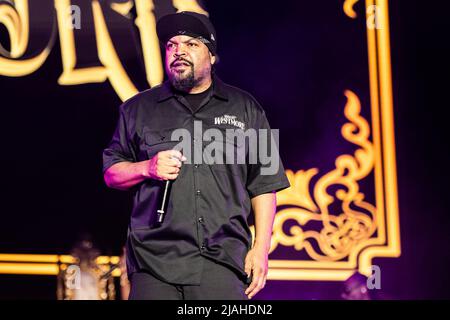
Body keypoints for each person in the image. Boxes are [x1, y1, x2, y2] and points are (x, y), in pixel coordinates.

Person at [103, 11, 290, 300]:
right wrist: (147, 167)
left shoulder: (247, 108)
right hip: (154, 263)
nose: (178, 52)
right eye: (171, 45)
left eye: (191, 44)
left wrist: (261, 247)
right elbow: (111, 173)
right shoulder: (137, 109)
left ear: (212, 56)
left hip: (223, 262)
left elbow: (265, 184)